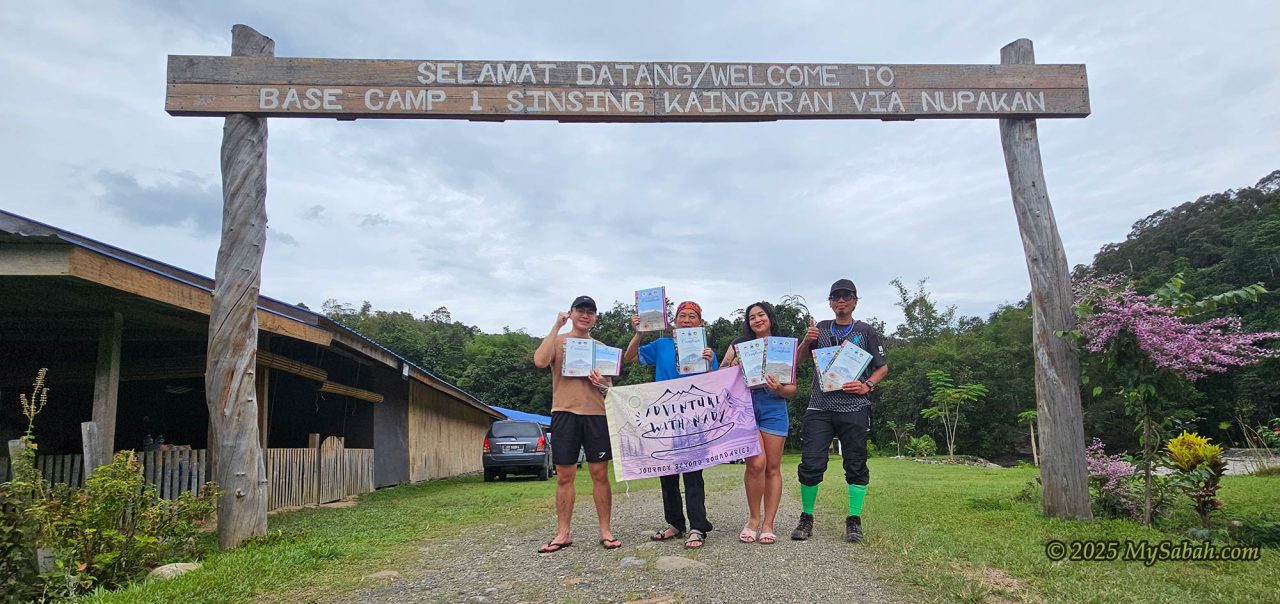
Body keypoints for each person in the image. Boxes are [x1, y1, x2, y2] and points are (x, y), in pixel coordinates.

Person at [792, 279, 888, 543]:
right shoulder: (820, 329)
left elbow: (882, 367)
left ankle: (854, 519)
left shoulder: (866, 331)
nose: (841, 301)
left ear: (855, 301)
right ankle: (807, 517)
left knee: (856, 463)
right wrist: (805, 341)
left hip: (854, 406)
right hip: (819, 407)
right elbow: (798, 361)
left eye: (846, 296)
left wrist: (867, 385)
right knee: (811, 463)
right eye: (835, 297)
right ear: (830, 303)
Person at [623, 300, 718, 549]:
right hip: (664, 417)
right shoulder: (662, 344)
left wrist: (710, 364)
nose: (686, 320)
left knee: (693, 473)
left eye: (692, 316)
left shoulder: (707, 351)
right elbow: (630, 357)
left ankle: (698, 526)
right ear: (674, 321)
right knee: (666, 472)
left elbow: (716, 386)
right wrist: (639, 333)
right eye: (682, 316)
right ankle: (675, 524)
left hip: (693, 419)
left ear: (701, 323)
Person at [532, 295, 620, 552]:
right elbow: (539, 361)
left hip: (596, 414)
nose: (585, 315)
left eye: (590, 312)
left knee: (600, 474)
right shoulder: (558, 342)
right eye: (580, 310)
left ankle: (605, 530)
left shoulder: (601, 347)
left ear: (595, 318)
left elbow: (609, 387)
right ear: (571, 313)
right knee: (565, 476)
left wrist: (603, 383)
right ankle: (563, 532)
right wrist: (555, 326)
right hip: (564, 413)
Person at [720, 301, 796, 545]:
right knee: (755, 463)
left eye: (761, 315)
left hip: (774, 406)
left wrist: (780, 388)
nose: (757, 320)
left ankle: (768, 524)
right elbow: (720, 374)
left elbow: (792, 390)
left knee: (772, 467)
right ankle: (753, 518)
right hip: (745, 406)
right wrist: (731, 366)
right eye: (752, 317)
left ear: (770, 318)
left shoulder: (784, 346)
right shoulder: (738, 345)